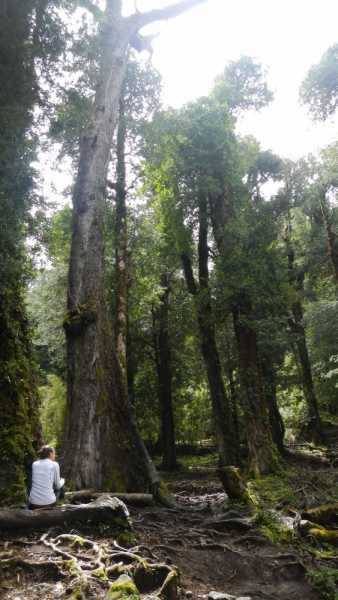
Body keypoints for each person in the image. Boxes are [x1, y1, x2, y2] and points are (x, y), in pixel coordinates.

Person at [28, 445, 65, 510]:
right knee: (60, 489)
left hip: (33, 503)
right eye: (54, 453)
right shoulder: (54, 464)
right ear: (50, 454)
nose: (54, 455)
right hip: (48, 504)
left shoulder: (34, 464)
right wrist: (63, 480)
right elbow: (58, 486)